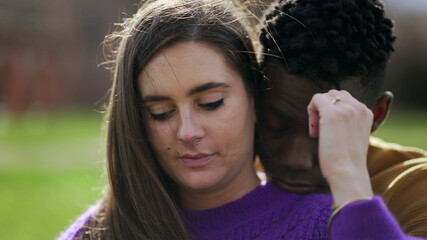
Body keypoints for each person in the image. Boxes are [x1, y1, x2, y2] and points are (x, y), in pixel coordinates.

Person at [56, 0, 420, 239]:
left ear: (253, 96)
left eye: (211, 103)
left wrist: (349, 181)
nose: (187, 132)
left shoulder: (330, 224)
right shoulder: (99, 230)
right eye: (160, 112)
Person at [257, 0, 427, 237]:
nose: (296, 159)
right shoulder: (235, 168)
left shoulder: (415, 188)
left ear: (376, 115)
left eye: (325, 131)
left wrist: (349, 182)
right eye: (276, 126)